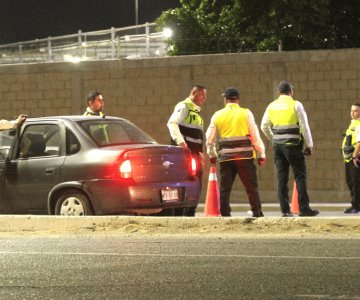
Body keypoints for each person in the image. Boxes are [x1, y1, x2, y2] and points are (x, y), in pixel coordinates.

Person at [261, 81, 319, 217]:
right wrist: (309, 145)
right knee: (300, 176)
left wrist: (273, 138)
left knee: (282, 178)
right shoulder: (296, 104)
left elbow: (264, 126)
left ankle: (285, 210)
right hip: (293, 146)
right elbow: (304, 126)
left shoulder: (271, 106)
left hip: (278, 148)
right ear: (290, 92)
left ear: (279, 92)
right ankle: (304, 208)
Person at [206, 87, 266, 218]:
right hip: (245, 157)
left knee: (225, 189)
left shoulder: (217, 115)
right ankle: (256, 212)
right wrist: (261, 154)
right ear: (238, 100)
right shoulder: (246, 113)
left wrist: (212, 154)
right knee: (251, 187)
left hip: (226, 159)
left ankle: (225, 213)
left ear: (225, 100)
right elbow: (255, 135)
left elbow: (209, 139)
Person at [167, 85, 206, 216]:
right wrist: (181, 143)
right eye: (202, 95)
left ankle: (189, 214)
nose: (204, 99)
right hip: (183, 154)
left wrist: (200, 153)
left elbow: (198, 137)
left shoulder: (197, 115)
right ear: (194, 93)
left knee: (196, 184)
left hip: (194, 155)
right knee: (183, 183)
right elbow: (172, 123)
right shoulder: (184, 106)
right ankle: (179, 214)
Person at [341, 104, 360, 213]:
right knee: (350, 181)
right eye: (352, 110)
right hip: (349, 158)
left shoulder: (359, 124)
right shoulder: (353, 123)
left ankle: (355, 206)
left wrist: (354, 156)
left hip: (355, 158)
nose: (353, 113)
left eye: (356, 111)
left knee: (355, 182)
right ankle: (356, 204)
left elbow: (359, 143)